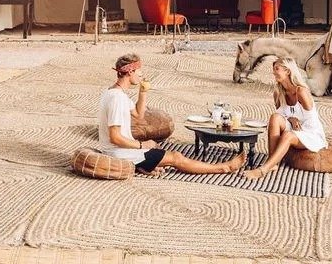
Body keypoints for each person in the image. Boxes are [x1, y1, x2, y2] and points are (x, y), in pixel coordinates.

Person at [98, 53, 246, 176]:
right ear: (130, 72)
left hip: (122, 151)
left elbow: (138, 115)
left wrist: (143, 92)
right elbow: (115, 137)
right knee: (176, 157)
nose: (141, 74)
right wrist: (142, 145)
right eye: (139, 70)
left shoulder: (114, 93)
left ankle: (143, 166)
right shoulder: (117, 99)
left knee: (158, 149)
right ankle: (224, 167)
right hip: (119, 153)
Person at [244, 57, 327, 179]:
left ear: (288, 71)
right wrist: (290, 119)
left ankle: (262, 170)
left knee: (288, 135)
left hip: (310, 133)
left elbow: (311, 120)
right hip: (293, 129)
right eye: (273, 69)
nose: (273, 72)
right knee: (274, 118)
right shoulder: (278, 93)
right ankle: (273, 162)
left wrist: (294, 124)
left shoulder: (301, 92)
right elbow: (281, 115)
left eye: (277, 69)